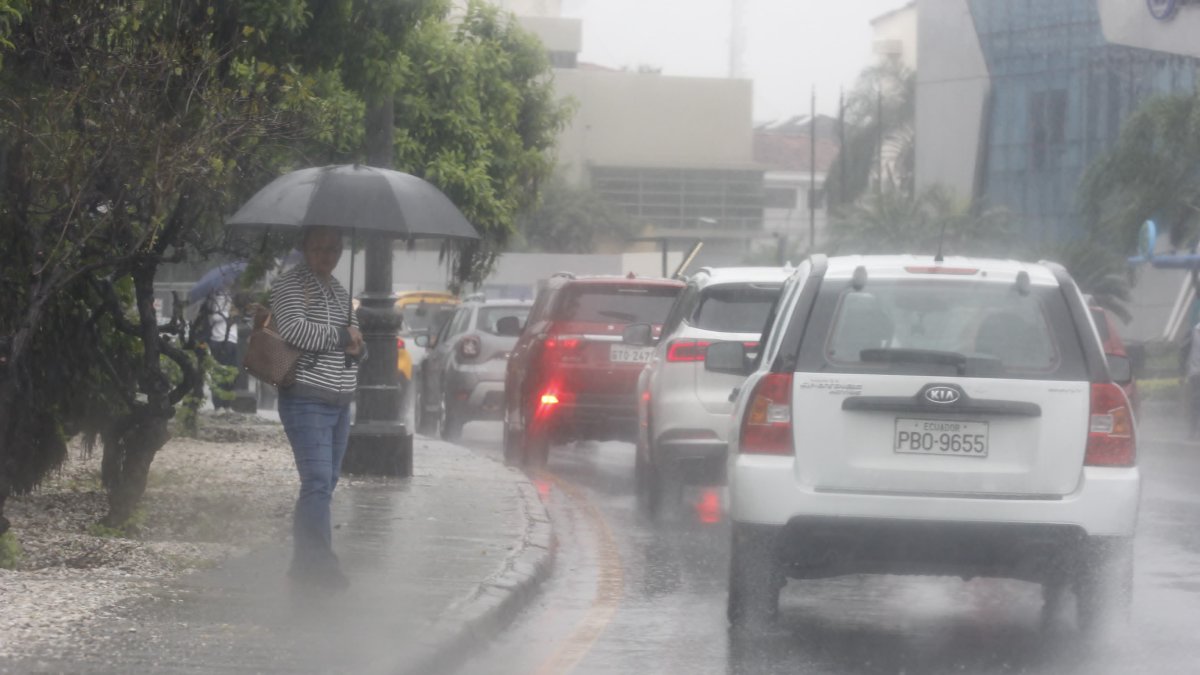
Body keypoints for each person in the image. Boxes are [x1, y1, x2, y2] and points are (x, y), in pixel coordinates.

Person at [270, 225, 365, 590]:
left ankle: (303, 565)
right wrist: (341, 337)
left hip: (339, 400)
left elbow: (355, 338)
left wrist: (358, 347)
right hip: (306, 396)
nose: (328, 256)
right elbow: (294, 330)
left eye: (334, 249)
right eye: (320, 248)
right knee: (317, 482)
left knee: (325, 484)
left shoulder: (339, 291)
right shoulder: (291, 285)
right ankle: (320, 567)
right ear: (305, 248)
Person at [204, 289, 239, 409]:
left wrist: (236, 313)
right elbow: (211, 318)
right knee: (219, 373)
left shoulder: (233, 297)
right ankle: (218, 405)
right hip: (218, 340)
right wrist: (227, 314)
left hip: (232, 340)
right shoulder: (213, 299)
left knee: (233, 373)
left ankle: (227, 404)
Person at [1185, 321, 1200, 438]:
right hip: (1196, 373)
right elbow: (1184, 352)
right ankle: (1193, 431)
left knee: (1195, 403)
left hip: (1195, 372)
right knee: (1195, 403)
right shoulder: (1192, 332)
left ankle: (1193, 431)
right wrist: (1182, 372)